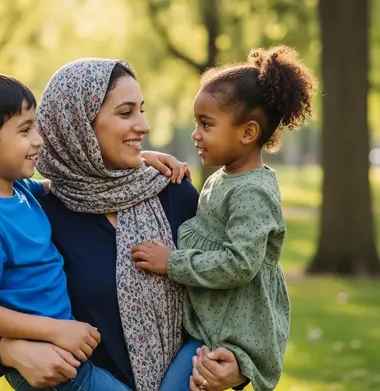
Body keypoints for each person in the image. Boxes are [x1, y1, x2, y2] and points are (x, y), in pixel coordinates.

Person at [0, 59, 248, 391]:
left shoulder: (173, 191)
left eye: (142, 110)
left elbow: (237, 287)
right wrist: (10, 351)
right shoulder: (39, 212)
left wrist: (238, 368)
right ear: (76, 125)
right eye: (126, 113)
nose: (144, 126)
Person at [132, 46, 317, 391]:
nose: (195, 134)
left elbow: (239, 264)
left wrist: (172, 263)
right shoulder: (222, 179)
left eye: (206, 124)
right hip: (210, 324)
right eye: (195, 123)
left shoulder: (253, 191)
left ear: (247, 133)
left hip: (232, 336)